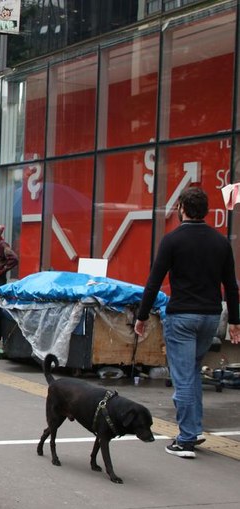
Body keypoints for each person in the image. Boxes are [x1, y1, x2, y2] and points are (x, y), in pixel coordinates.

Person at [134, 187, 240, 459]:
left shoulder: (172, 240)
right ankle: (194, 428)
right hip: (210, 317)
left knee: (182, 377)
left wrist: (142, 316)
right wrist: (235, 322)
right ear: (204, 210)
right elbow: (231, 285)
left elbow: (154, 280)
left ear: (181, 207)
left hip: (182, 316)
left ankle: (185, 440)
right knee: (192, 371)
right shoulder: (221, 242)